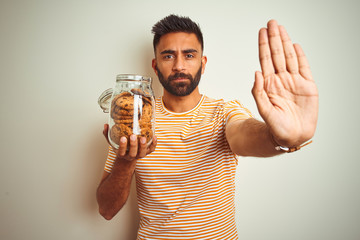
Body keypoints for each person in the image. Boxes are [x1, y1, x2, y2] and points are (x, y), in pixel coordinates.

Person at [96, 14, 318, 239]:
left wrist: (280, 139)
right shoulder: (136, 123)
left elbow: (243, 134)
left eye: (189, 55)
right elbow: (106, 210)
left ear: (202, 63)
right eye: (168, 56)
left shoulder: (223, 112)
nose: (179, 66)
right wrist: (126, 160)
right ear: (155, 65)